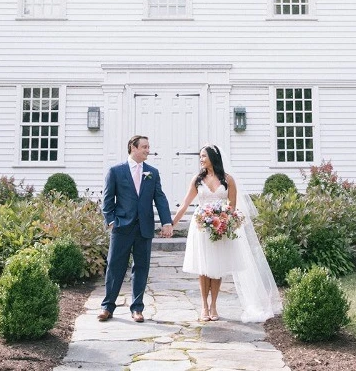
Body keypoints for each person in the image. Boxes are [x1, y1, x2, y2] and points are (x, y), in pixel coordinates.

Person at [172, 144, 282, 323]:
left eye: (204, 156)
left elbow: (232, 207)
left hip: (221, 227)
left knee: (217, 267)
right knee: (204, 267)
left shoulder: (228, 180)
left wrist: (225, 221)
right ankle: (204, 306)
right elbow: (185, 204)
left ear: (213, 158)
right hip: (201, 227)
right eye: (200, 156)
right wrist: (171, 224)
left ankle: (214, 304)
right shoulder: (197, 180)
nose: (201, 160)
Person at [99, 134, 173, 323]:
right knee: (115, 267)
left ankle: (137, 309)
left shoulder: (152, 172)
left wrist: (166, 222)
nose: (148, 150)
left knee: (141, 267)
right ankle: (107, 307)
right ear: (133, 147)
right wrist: (111, 221)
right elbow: (107, 200)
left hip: (144, 228)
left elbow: (160, 198)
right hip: (122, 227)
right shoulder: (116, 171)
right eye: (145, 147)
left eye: (148, 147)